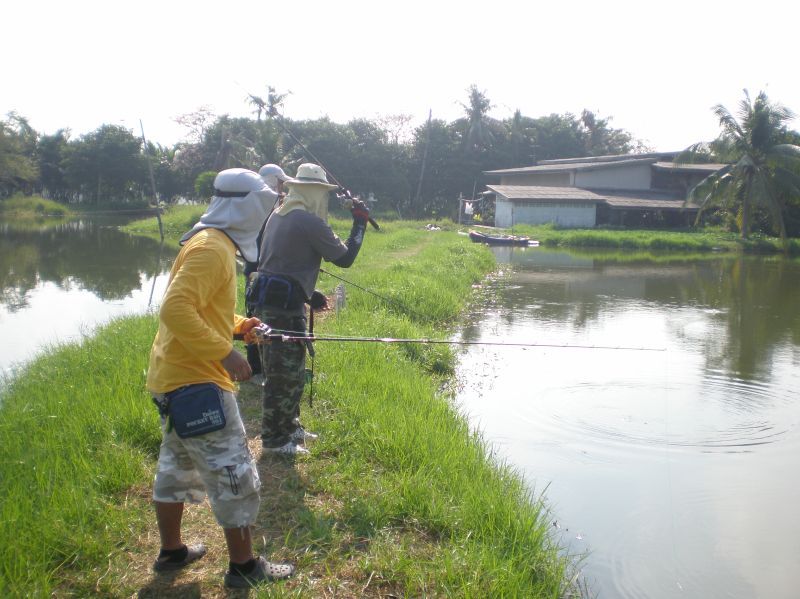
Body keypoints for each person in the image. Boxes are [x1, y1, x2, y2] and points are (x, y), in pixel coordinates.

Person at [146, 168, 295, 588]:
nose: (265, 220)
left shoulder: (209, 242)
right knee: (235, 471)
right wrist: (225, 353)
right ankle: (244, 568)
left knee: (175, 467)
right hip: (198, 382)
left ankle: (172, 552)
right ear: (245, 209)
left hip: (173, 379)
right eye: (263, 210)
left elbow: (199, 309)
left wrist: (238, 325)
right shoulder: (212, 249)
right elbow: (174, 310)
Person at [250, 162, 370, 455]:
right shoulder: (308, 221)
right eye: (322, 194)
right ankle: (275, 441)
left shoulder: (279, 214)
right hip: (281, 307)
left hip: (275, 300)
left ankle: (290, 427)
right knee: (281, 374)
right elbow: (344, 258)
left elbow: (282, 261)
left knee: (293, 369)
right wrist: (360, 223)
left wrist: (309, 292)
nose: (324, 200)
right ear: (314, 192)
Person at [243, 164, 292, 376]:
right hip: (258, 273)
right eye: (280, 182)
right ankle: (255, 369)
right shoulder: (266, 211)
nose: (283, 188)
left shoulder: (259, 207)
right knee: (255, 318)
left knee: (256, 317)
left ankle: (260, 367)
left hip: (256, 271)